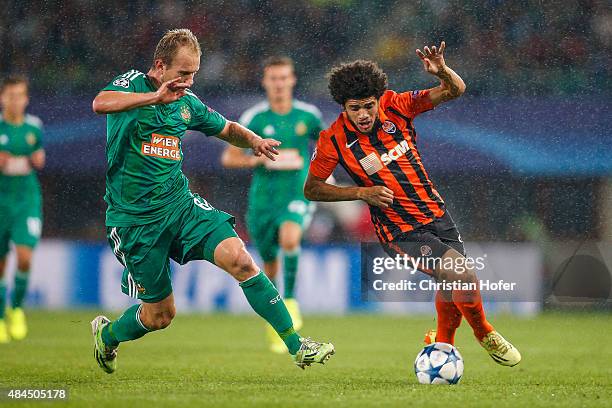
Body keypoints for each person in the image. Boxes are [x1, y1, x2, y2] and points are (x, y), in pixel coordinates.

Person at [91, 28, 334, 373]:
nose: (189, 82)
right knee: (160, 315)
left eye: (193, 75)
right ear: (160, 66)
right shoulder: (132, 84)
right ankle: (108, 335)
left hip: (180, 206)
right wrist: (153, 99)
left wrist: (254, 142)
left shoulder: (187, 105)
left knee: (241, 260)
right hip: (135, 220)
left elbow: (226, 127)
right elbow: (100, 103)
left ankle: (297, 346)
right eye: (183, 74)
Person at [304, 42, 521, 366]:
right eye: (354, 108)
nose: (363, 114)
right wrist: (361, 193)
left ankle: (443, 349)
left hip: (436, 213)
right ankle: (484, 332)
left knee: (452, 281)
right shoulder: (333, 139)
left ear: (379, 99)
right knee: (461, 274)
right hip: (399, 230)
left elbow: (455, 90)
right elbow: (313, 189)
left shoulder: (397, 106)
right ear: (343, 107)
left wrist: (442, 71)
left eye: (368, 106)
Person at [221, 57, 324, 353]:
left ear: (292, 80)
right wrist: (257, 157)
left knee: (289, 239)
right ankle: (279, 319)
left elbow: (329, 144)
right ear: (265, 82)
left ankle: (291, 303)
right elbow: (229, 158)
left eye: (283, 78)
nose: (279, 84)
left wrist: (320, 168)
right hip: (263, 202)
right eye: (273, 79)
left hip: (297, 193)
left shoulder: (308, 115)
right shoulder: (254, 118)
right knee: (269, 264)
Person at [0, 76, 45, 343]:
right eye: (10, 95)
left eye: (20, 95)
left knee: (25, 256)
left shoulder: (34, 127)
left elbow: (39, 158)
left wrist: (36, 159)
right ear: (2, 98)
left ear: (26, 99)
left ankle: (16, 308)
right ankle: (0, 319)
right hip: (1, 201)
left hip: (26, 200)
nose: (15, 101)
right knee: (1, 263)